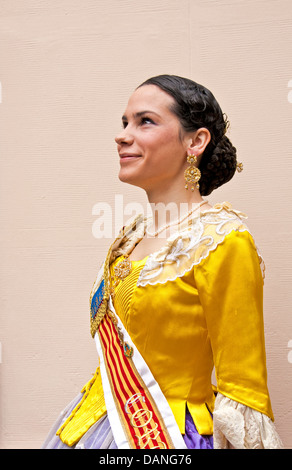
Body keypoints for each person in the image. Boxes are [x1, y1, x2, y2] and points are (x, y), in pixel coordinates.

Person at [42, 75, 283, 449]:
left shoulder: (223, 240)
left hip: (168, 435)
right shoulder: (128, 237)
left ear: (195, 141)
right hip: (96, 426)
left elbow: (244, 388)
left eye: (145, 121)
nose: (122, 135)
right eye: (125, 123)